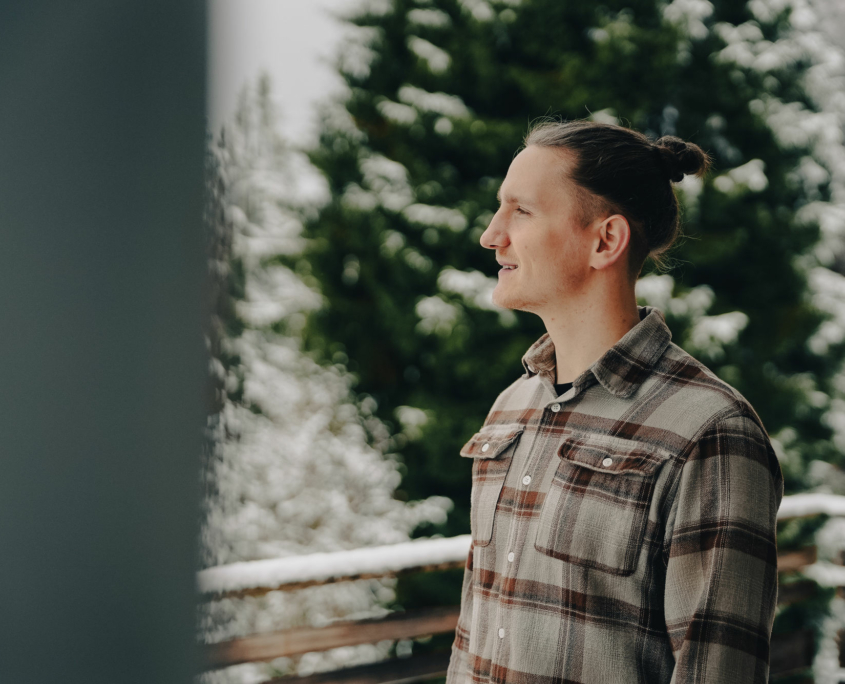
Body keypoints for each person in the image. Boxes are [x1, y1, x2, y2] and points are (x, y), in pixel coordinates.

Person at [445, 119, 784, 684]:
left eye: (520, 211)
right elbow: (473, 629)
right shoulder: (511, 406)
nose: (491, 234)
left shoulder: (711, 432)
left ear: (605, 240)